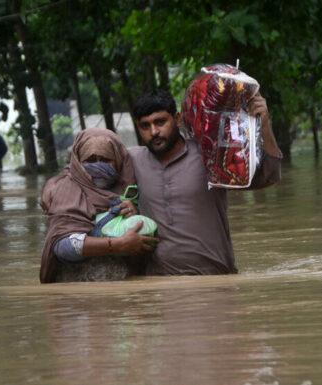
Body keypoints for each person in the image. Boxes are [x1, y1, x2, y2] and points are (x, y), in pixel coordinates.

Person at [129, 89, 282, 275]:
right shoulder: (133, 161)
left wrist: (264, 123)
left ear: (177, 119)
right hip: (159, 284)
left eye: (160, 122)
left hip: (215, 279)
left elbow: (269, 176)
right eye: (145, 126)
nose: (154, 132)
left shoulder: (211, 156)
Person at [39, 128, 159, 283]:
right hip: (81, 290)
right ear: (79, 163)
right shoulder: (67, 188)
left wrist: (132, 213)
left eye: (105, 159)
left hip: (127, 287)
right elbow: (62, 247)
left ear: (118, 160)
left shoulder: (129, 186)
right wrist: (118, 245)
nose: (98, 166)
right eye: (90, 160)